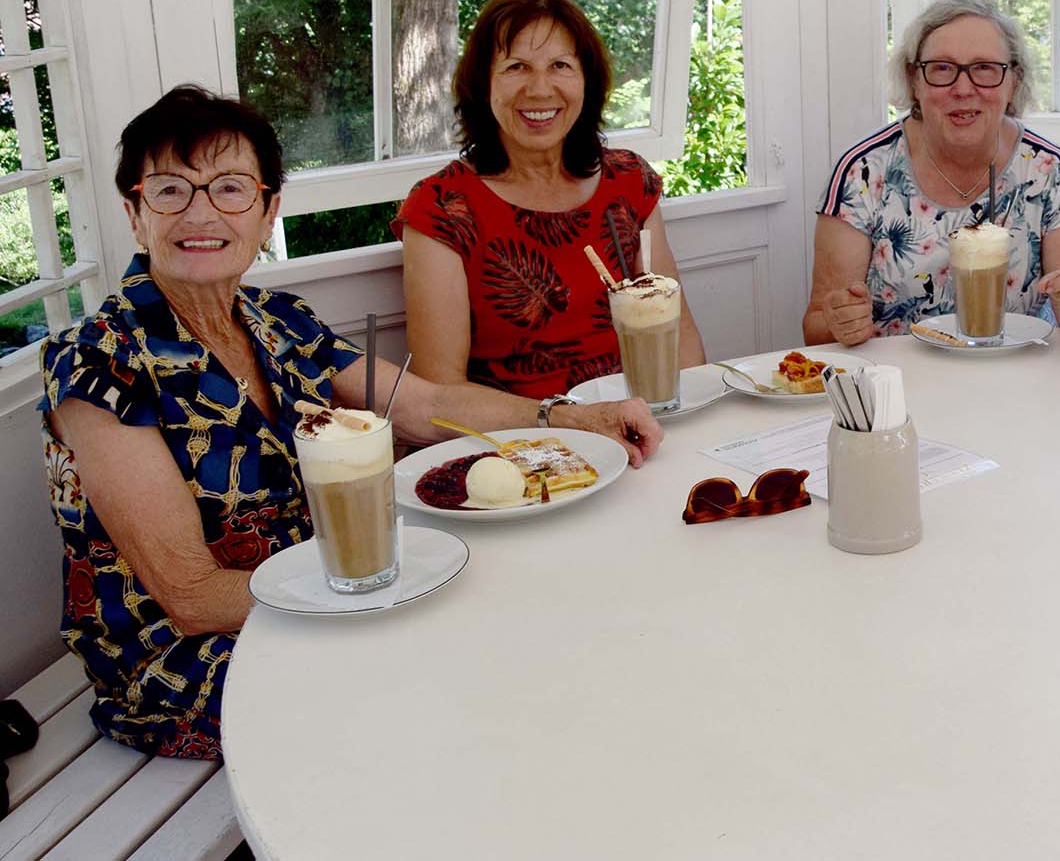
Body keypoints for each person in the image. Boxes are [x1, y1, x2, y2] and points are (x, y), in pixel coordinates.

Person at [40, 86, 663, 759]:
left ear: (266, 208)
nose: (201, 212)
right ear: (135, 214)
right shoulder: (98, 364)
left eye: (229, 188)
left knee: (529, 627)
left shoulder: (279, 320)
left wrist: (570, 416)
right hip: (198, 657)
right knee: (459, 693)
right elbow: (190, 597)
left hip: (331, 598)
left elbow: (423, 406)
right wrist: (386, 587)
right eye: (169, 191)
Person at [398, 0, 706, 398]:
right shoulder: (441, 208)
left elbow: (678, 332)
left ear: (587, 81)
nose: (540, 89)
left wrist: (689, 425)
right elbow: (442, 394)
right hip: (523, 448)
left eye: (560, 65)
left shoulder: (629, 181)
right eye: (516, 67)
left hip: (642, 427)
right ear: (482, 85)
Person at [805, 0, 1060, 343]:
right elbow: (816, 326)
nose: (963, 88)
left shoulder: (1047, 171)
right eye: (942, 68)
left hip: (1011, 380)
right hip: (897, 383)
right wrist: (841, 323)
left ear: (1014, 81)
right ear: (914, 81)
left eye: (984, 68)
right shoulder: (861, 173)